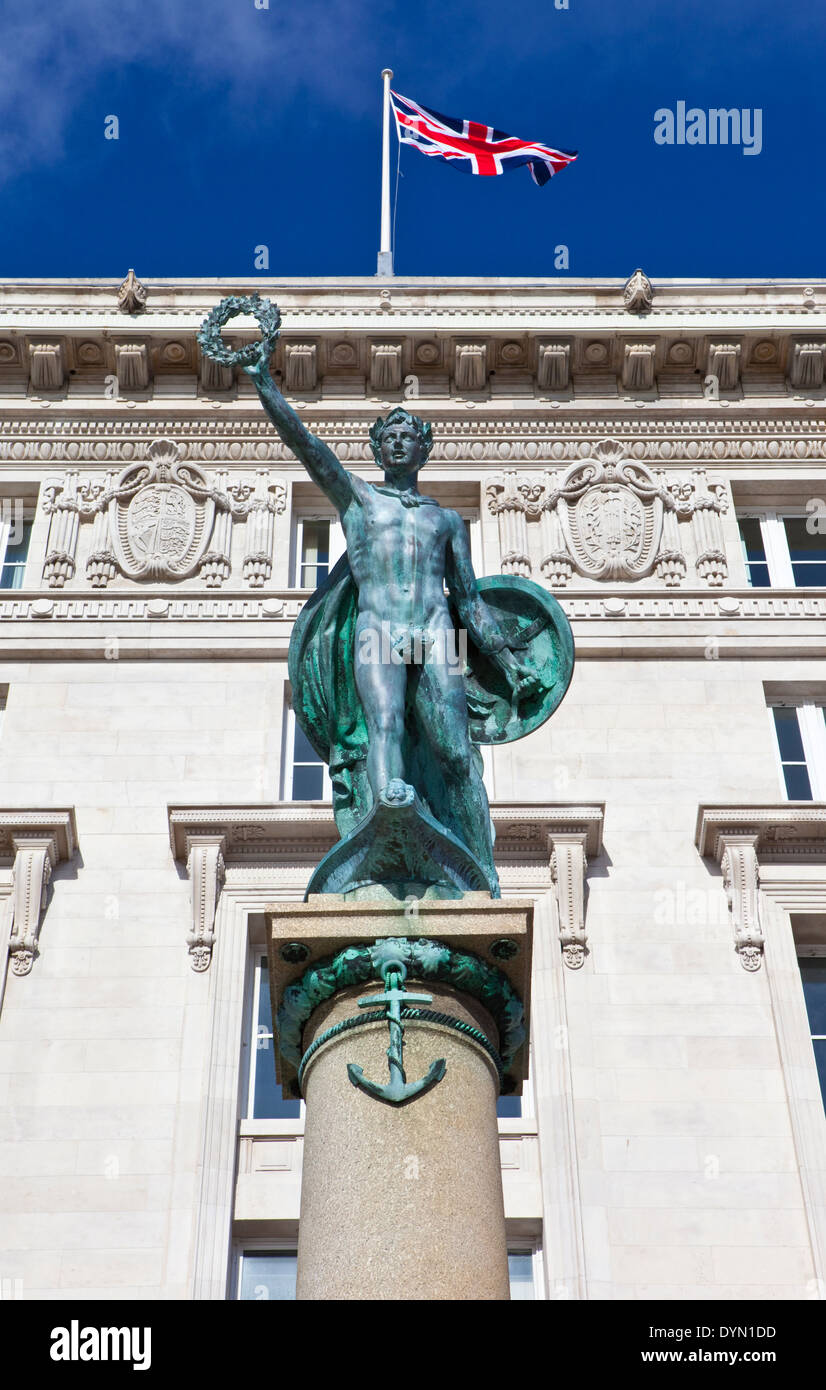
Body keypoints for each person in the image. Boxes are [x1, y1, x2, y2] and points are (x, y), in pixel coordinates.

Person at [245, 350, 540, 885]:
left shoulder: (446, 521)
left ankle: (483, 867)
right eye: (390, 436)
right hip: (378, 630)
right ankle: (390, 827)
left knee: (457, 754)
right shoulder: (359, 501)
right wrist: (264, 383)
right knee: (383, 725)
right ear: (377, 448)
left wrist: (509, 661)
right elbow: (306, 446)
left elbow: (469, 599)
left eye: (408, 436)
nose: (399, 442)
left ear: (424, 448)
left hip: (436, 632)